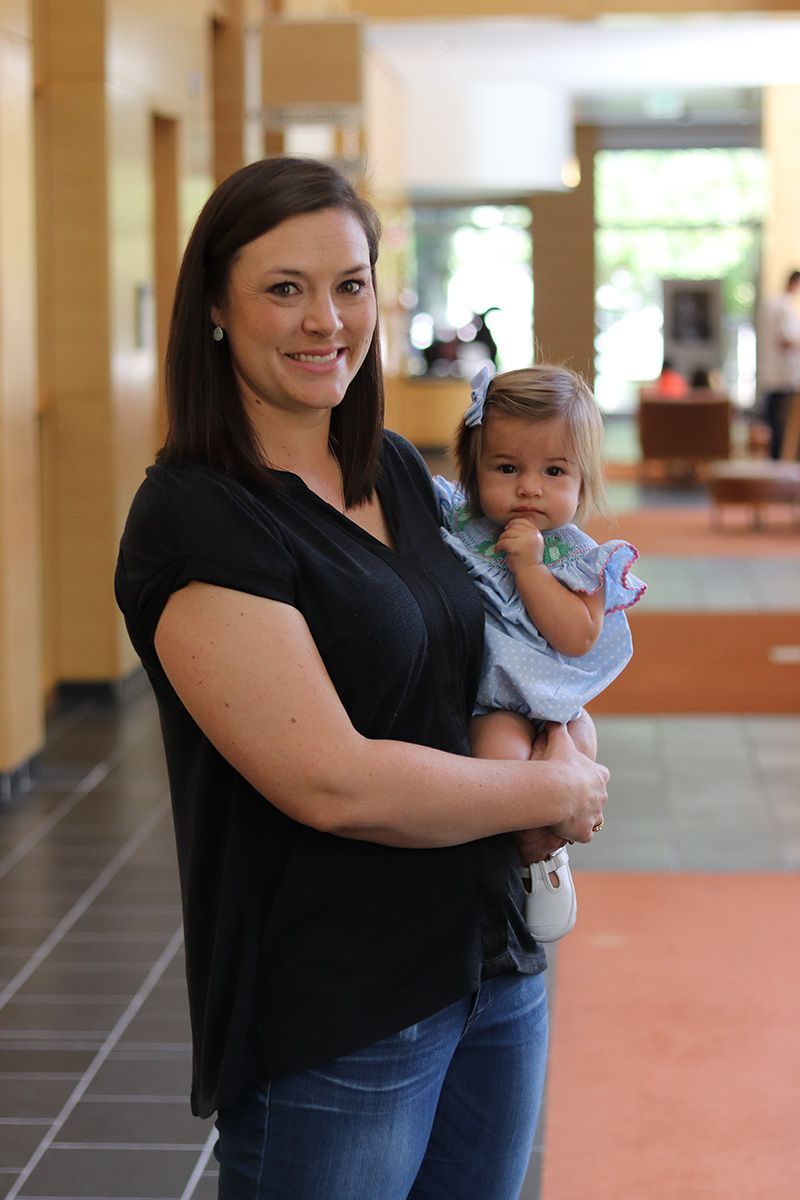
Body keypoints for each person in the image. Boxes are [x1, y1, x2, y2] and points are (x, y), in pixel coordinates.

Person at [114, 157, 609, 1200]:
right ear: (215, 306)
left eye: (348, 284)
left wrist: (566, 734)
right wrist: (550, 791)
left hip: (491, 961)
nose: (325, 320)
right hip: (343, 1005)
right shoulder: (199, 517)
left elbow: (498, 656)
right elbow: (330, 781)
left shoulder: (390, 468)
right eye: (283, 288)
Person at [434, 365, 645, 943]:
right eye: (507, 468)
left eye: (554, 471)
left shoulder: (577, 556)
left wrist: (529, 568)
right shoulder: (461, 524)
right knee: (499, 759)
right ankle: (519, 854)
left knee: (570, 762)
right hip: (492, 699)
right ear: (474, 469)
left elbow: (577, 636)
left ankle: (547, 856)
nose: (530, 488)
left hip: (555, 703)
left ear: (583, 479)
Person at [759, 269, 800, 458]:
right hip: (783, 377)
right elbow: (785, 340)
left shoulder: (770, 305)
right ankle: (781, 460)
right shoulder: (783, 307)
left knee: (775, 424)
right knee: (782, 425)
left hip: (773, 375)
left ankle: (776, 460)